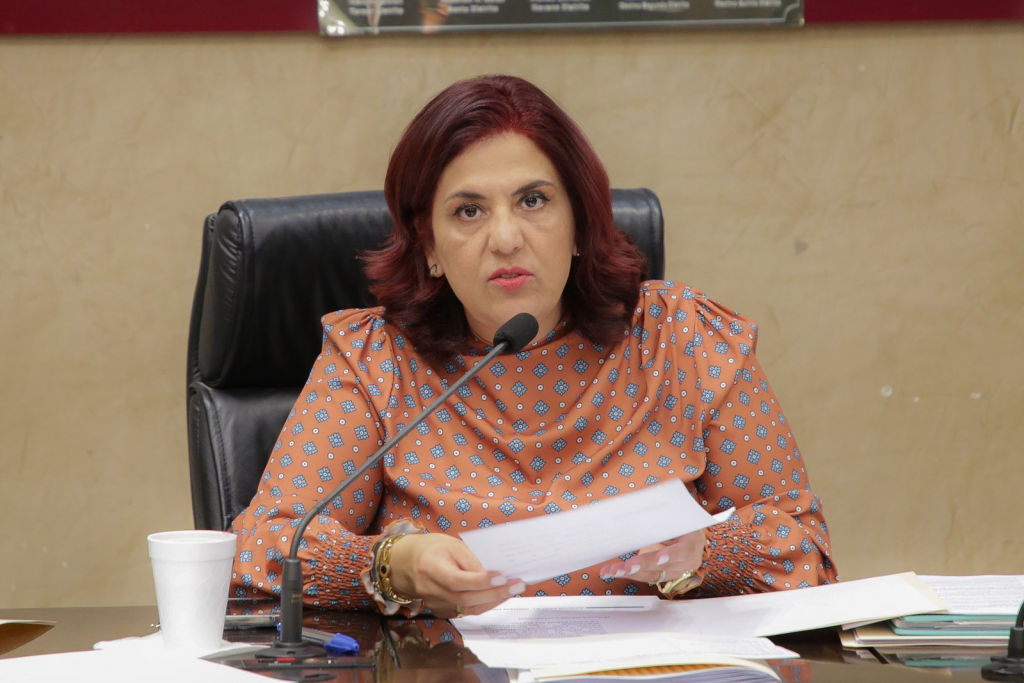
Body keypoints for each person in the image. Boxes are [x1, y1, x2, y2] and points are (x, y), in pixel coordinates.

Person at [229, 74, 838, 619]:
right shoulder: (376, 359)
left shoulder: (683, 337)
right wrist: (391, 567)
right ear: (429, 245)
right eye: (469, 211)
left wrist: (704, 552)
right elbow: (259, 549)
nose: (505, 238)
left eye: (533, 201)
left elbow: (804, 548)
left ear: (580, 224)